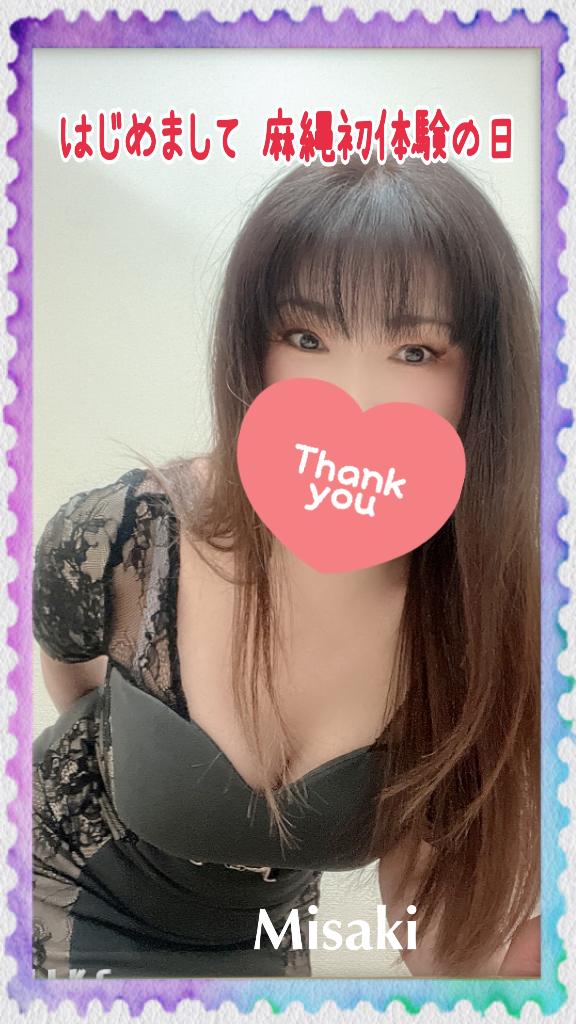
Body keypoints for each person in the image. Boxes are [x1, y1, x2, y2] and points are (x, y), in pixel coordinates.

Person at [32, 152, 540, 979]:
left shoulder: (478, 619)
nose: (354, 394)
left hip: (263, 941)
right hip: (60, 892)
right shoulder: (120, 539)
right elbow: (81, 704)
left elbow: (437, 935)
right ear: (251, 349)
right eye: (307, 338)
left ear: (483, 375)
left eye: (415, 351)